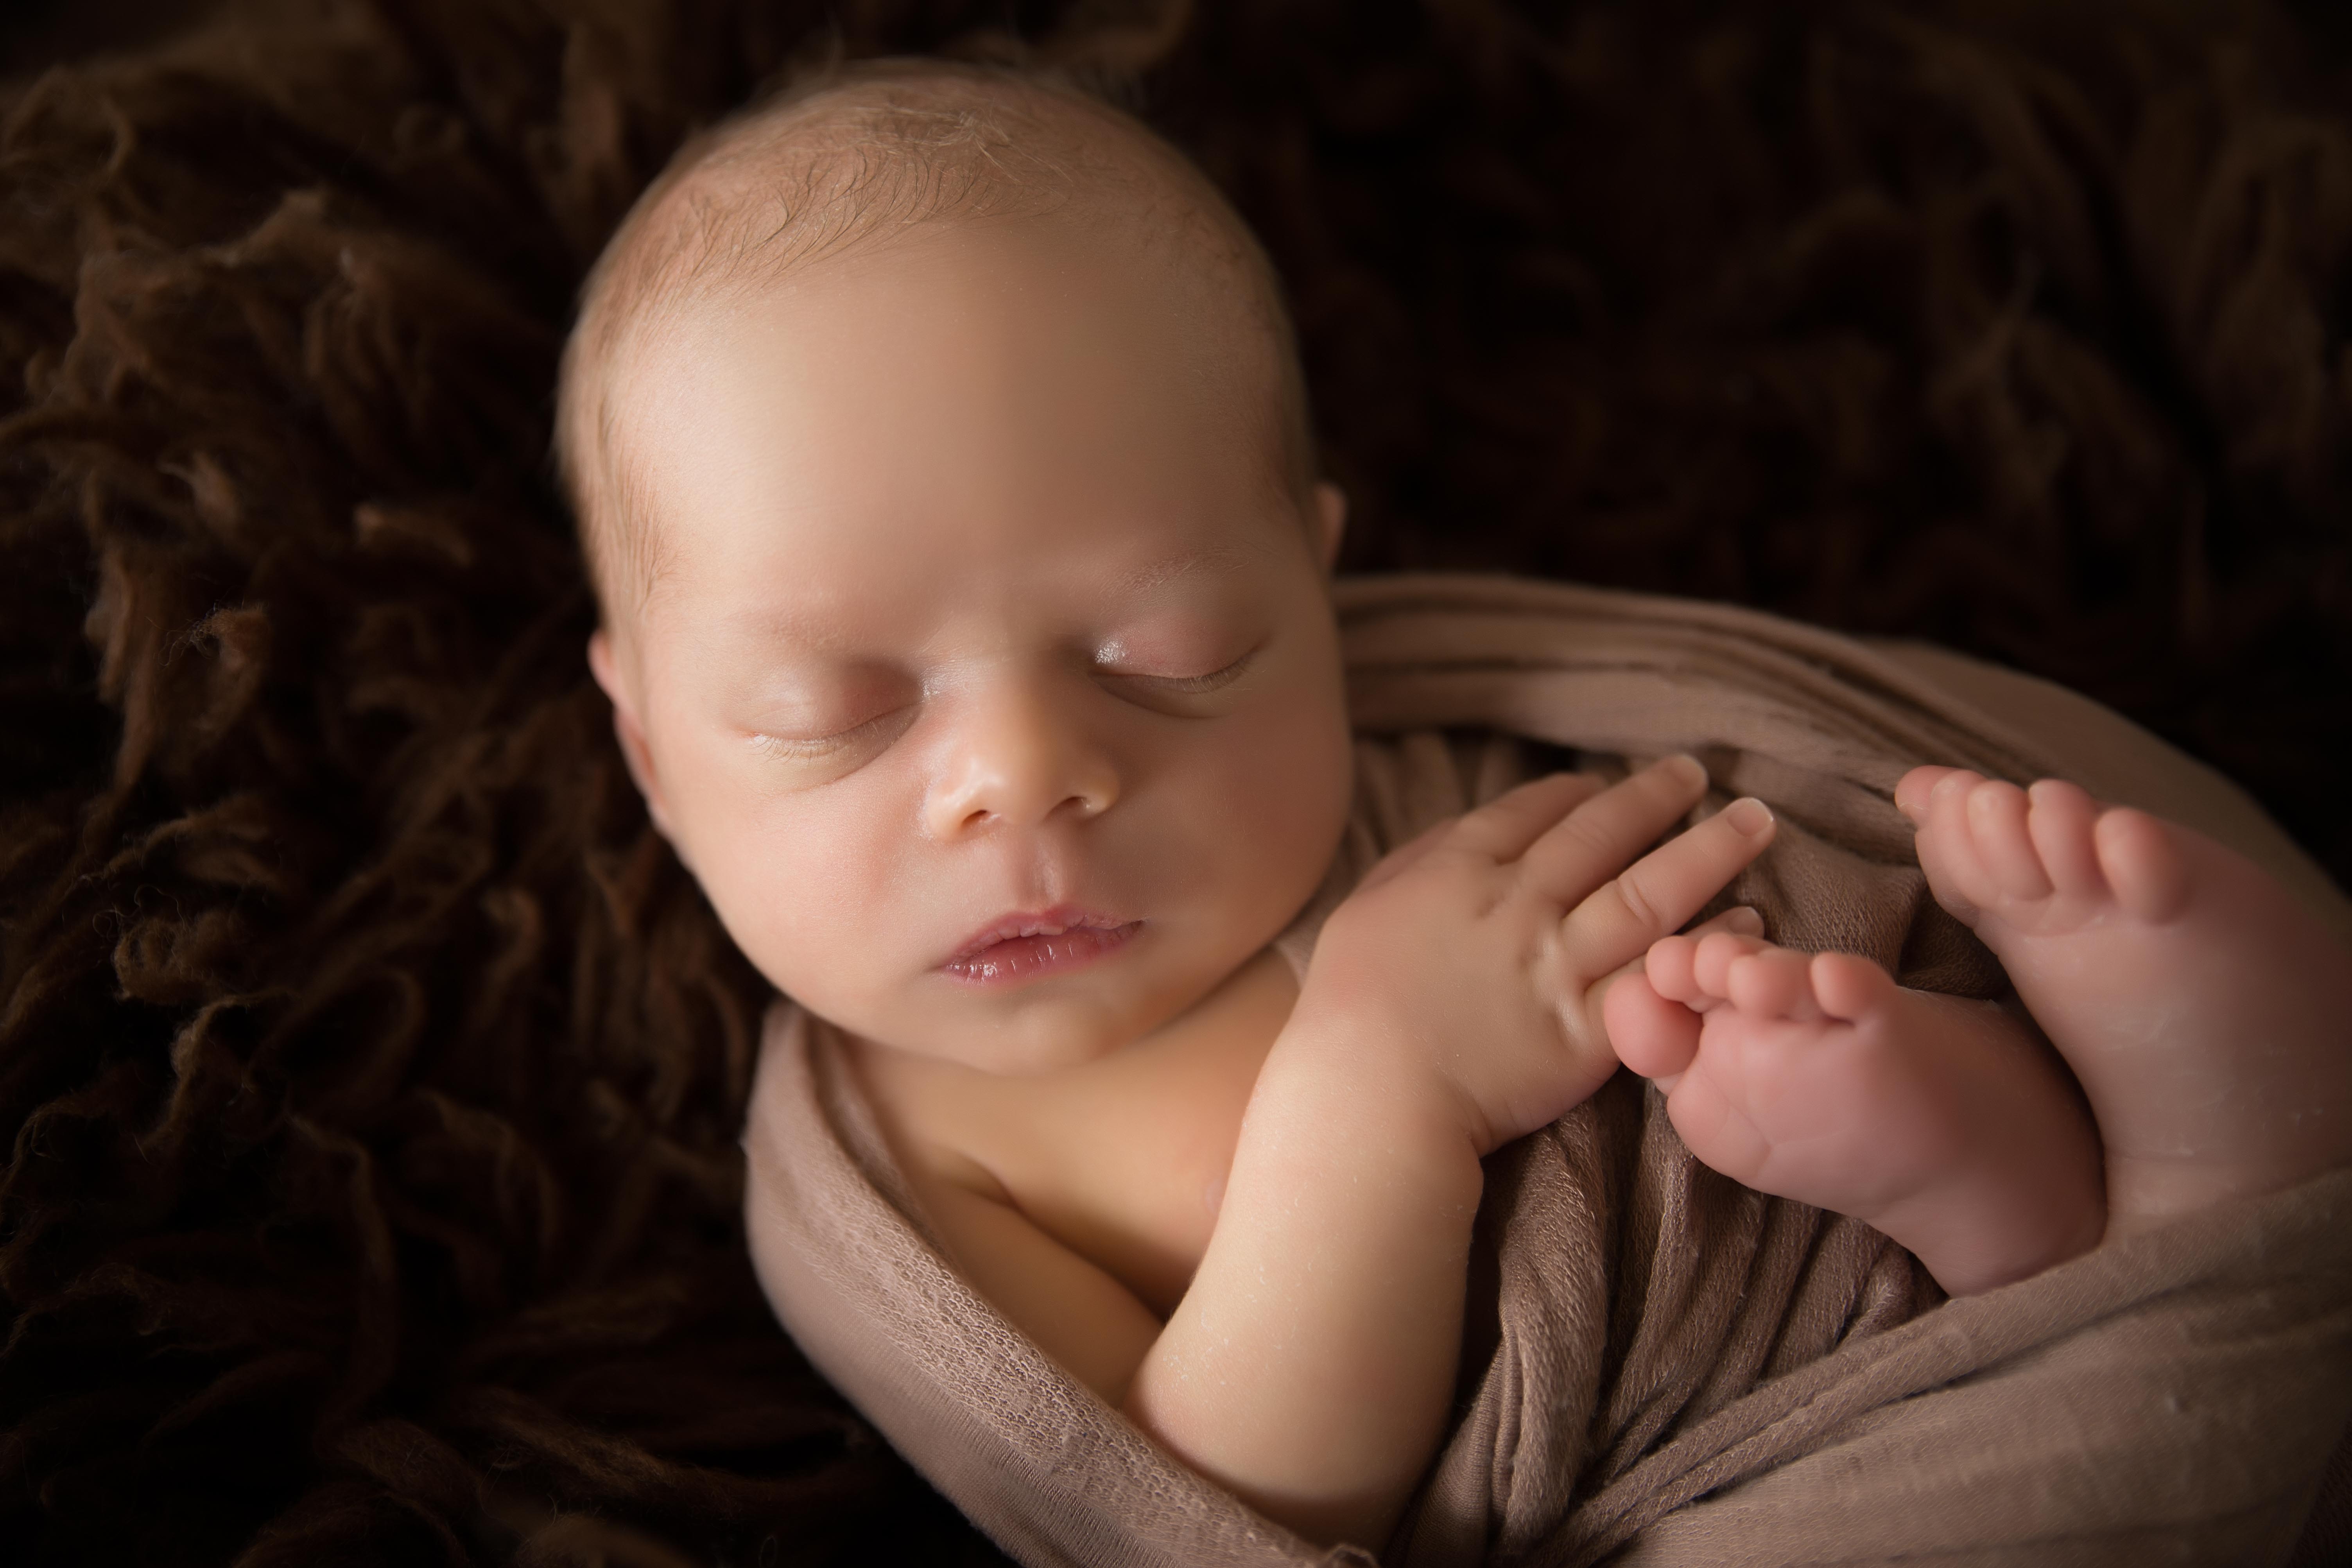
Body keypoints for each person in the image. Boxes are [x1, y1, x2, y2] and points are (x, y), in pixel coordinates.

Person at [552, 58, 2352, 1553]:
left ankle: (2068, 1150)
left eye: (1172, 652)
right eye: (837, 714)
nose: (1025, 773)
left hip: (1802, 1034)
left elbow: (1709, 753)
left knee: (1889, 962)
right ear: (650, 751)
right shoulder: (896, 1170)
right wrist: (1378, 1087)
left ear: (1315, 589)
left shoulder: (1422, 730)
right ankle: (2184, 1188)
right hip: (1735, 1452)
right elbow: (1220, 1504)